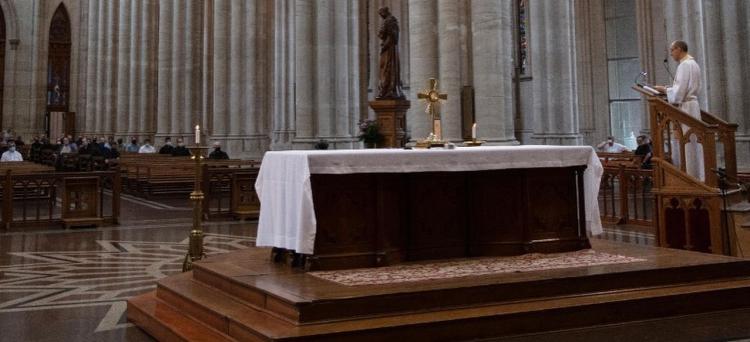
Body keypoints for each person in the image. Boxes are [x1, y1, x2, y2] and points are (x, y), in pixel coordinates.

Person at [654, 40, 704, 181]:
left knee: (687, 142)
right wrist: (671, 89)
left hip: (685, 108)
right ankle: (697, 174)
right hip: (692, 105)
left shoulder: (684, 65)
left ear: (679, 49)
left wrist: (664, 89)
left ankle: (688, 176)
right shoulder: (693, 64)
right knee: (693, 142)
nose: (671, 54)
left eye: (672, 50)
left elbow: (678, 94)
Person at [375, 7, 405, 99]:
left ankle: (388, 89)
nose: (381, 16)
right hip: (390, 48)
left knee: (387, 68)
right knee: (388, 68)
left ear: (384, 13)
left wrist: (384, 45)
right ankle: (389, 89)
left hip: (388, 49)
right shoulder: (392, 21)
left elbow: (381, 33)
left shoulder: (388, 21)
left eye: (381, 14)